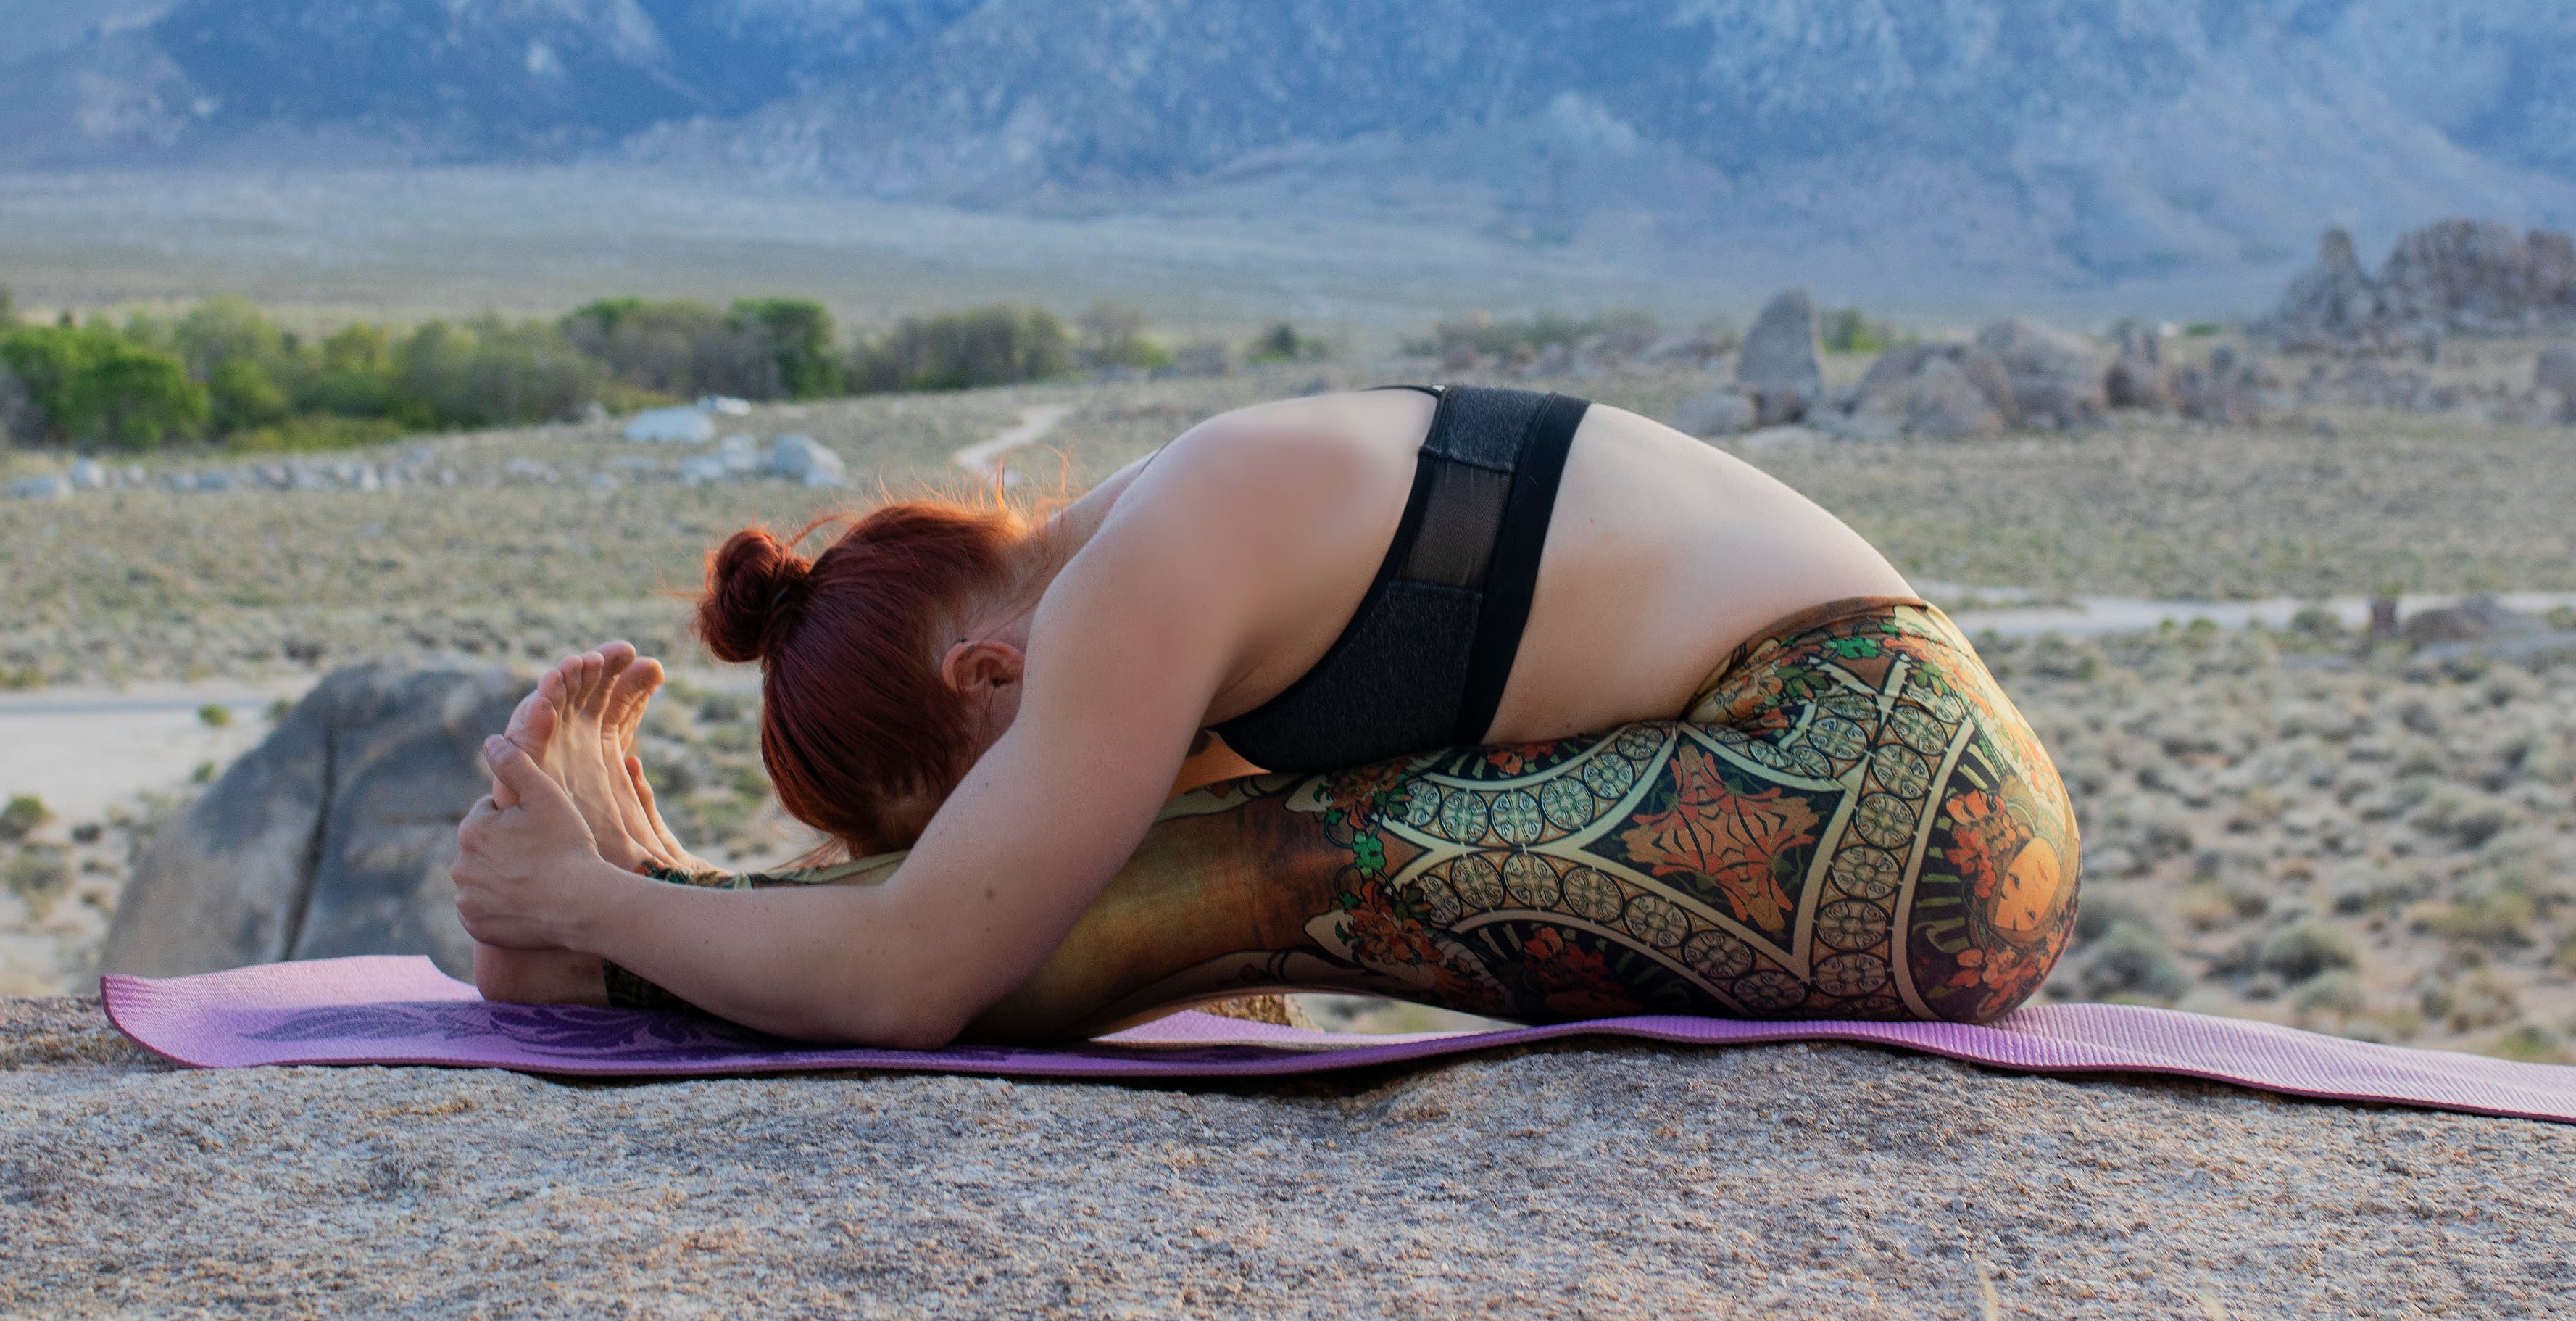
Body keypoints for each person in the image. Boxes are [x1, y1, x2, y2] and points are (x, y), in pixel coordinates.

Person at [452, 384, 2080, 1044]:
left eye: (965, 812)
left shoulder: (1133, 585)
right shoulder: (1174, 524)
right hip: (1916, 778)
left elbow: (919, 970)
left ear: (982, 680)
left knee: (1225, 873)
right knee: (1191, 867)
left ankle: (617, 945)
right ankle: (658, 920)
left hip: (1888, 790)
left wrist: (588, 901)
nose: (1006, 839)